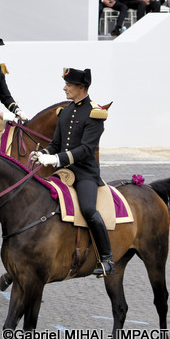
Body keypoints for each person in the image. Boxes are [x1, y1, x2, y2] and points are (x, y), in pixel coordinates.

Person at [31, 68, 113, 277]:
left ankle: (106, 258)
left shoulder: (95, 114)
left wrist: (56, 158)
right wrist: (42, 154)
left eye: (68, 85)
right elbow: (56, 143)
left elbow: (86, 149)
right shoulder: (65, 111)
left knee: (88, 210)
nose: (64, 87)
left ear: (81, 88)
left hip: (84, 174)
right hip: (62, 173)